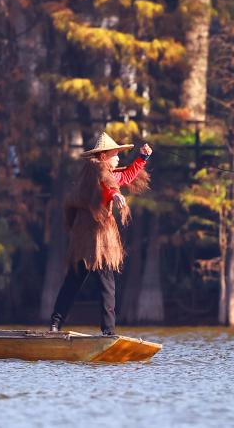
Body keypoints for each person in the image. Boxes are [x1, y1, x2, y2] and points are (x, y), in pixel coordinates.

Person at [49, 131, 152, 335]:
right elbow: (106, 186)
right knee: (89, 283)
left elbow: (127, 175)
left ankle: (70, 326)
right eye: (116, 154)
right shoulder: (94, 170)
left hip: (97, 237)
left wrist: (143, 157)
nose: (119, 158)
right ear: (104, 156)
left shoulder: (110, 173)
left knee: (95, 283)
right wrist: (114, 195)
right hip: (89, 238)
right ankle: (102, 332)